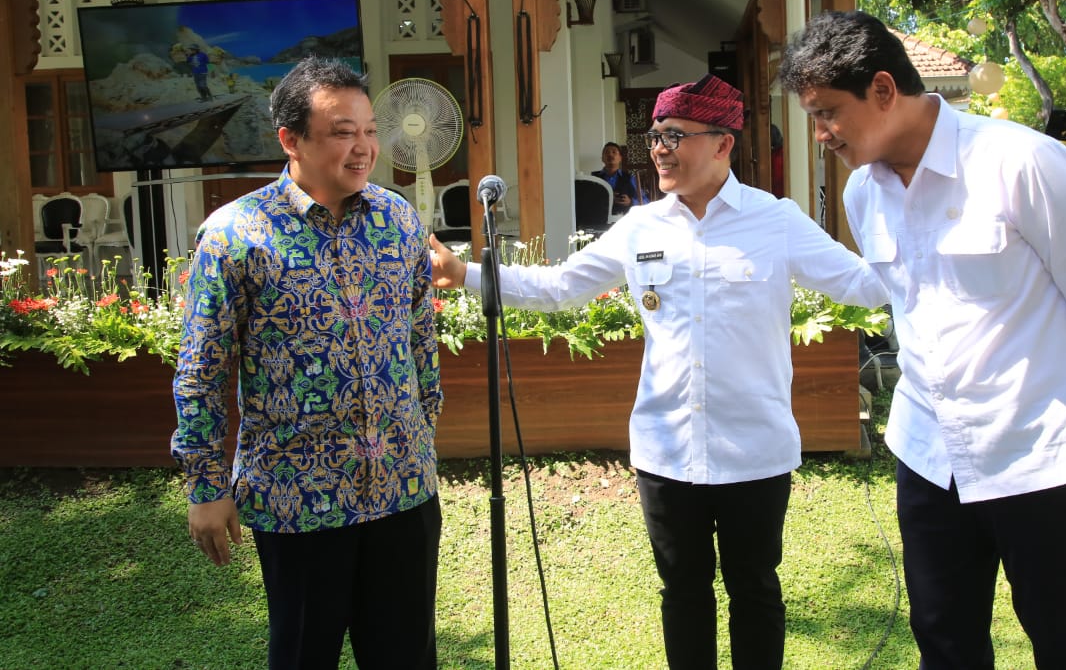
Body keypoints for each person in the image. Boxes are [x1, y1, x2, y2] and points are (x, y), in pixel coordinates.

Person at [430, 74, 886, 669]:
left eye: (675, 135)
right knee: (683, 593)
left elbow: (862, 282)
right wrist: (468, 274)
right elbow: (565, 285)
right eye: (656, 135)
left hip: (755, 450)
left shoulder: (776, 220)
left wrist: (922, 234)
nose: (660, 149)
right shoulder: (641, 227)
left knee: (754, 590)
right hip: (667, 452)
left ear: (722, 143)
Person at [778, 10, 1066, 670]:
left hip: (1038, 451)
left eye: (828, 111)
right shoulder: (865, 192)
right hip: (929, 454)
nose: (821, 133)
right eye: (812, 115)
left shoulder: (1023, 164)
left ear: (884, 89)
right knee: (944, 642)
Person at [171, 56, 443, 670]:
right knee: (302, 656)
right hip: (298, 500)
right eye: (343, 132)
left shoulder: (398, 219)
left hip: (402, 492)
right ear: (290, 140)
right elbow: (202, 371)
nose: (364, 147)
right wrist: (206, 485)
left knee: (407, 657)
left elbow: (421, 337)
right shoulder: (236, 235)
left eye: (370, 130)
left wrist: (423, 435)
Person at [593, 140, 647, 214]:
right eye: (607, 152)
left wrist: (631, 202)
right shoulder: (594, 178)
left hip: (624, 220)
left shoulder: (630, 178)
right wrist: (607, 199)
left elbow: (645, 201)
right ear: (602, 158)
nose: (610, 155)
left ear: (620, 158)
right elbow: (588, 202)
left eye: (614, 152)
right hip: (599, 221)